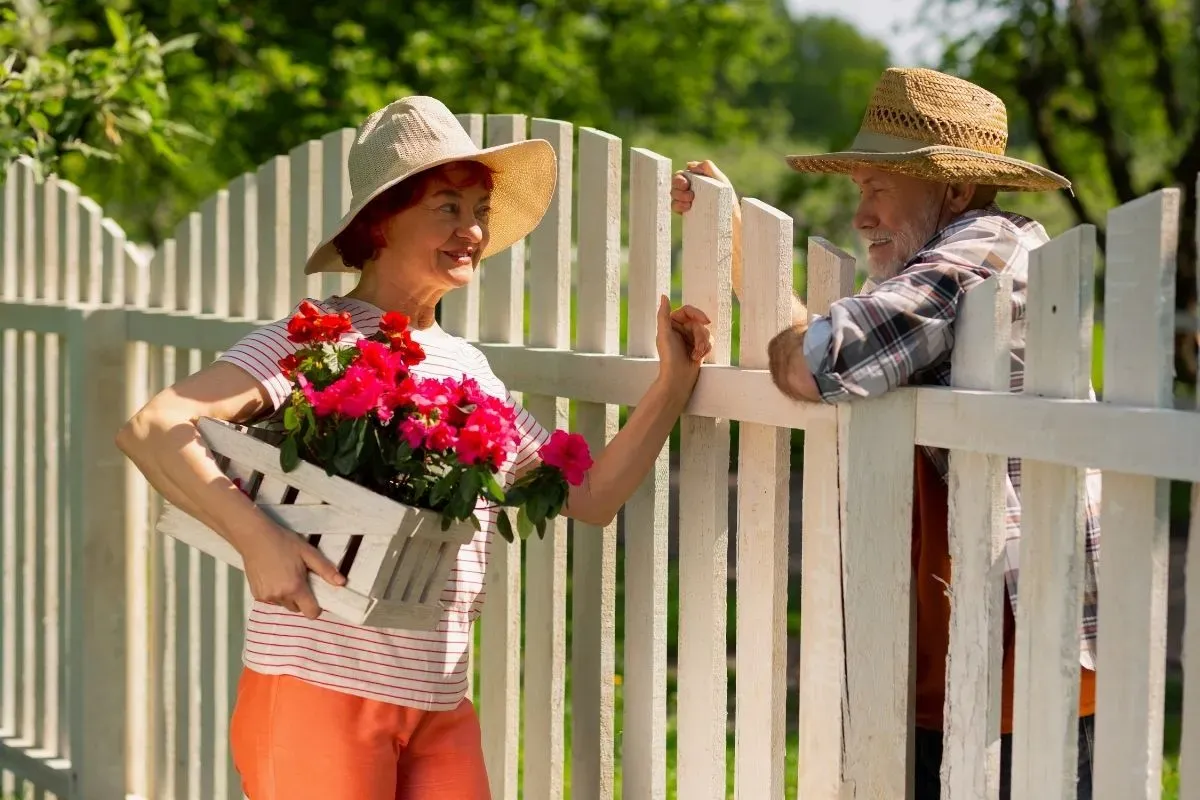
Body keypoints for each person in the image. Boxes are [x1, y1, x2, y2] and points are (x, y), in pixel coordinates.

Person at [117, 95, 713, 800]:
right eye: (447, 207)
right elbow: (156, 426)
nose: (473, 231)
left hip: (435, 697)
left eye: (480, 211)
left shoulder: (467, 368)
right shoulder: (315, 339)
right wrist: (258, 541)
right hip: (317, 690)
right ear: (380, 222)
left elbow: (590, 496)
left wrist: (674, 383)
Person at [670, 67, 1099, 799]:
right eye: (859, 190)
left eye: (878, 190)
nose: (861, 215)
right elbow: (837, 347)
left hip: (1014, 661)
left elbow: (824, 358)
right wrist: (739, 242)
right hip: (964, 646)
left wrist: (800, 339)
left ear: (956, 190)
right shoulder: (940, 258)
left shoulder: (985, 253)